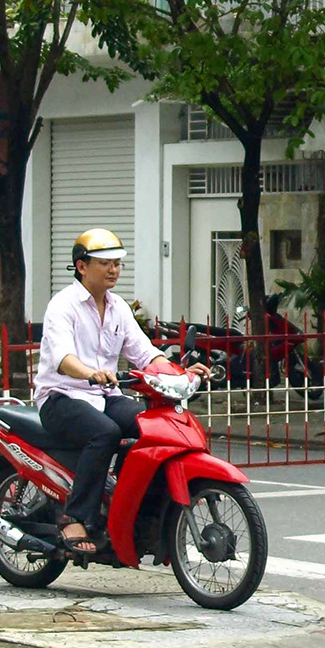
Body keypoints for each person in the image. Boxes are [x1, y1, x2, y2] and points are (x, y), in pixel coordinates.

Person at [34, 228, 200, 554]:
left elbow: (146, 353)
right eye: (105, 263)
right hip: (61, 397)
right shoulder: (63, 305)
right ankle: (75, 516)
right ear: (82, 266)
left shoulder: (118, 307)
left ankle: (131, 507)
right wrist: (90, 373)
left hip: (105, 396)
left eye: (117, 264)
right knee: (105, 434)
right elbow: (63, 360)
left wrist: (179, 372)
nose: (114, 270)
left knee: (151, 426)